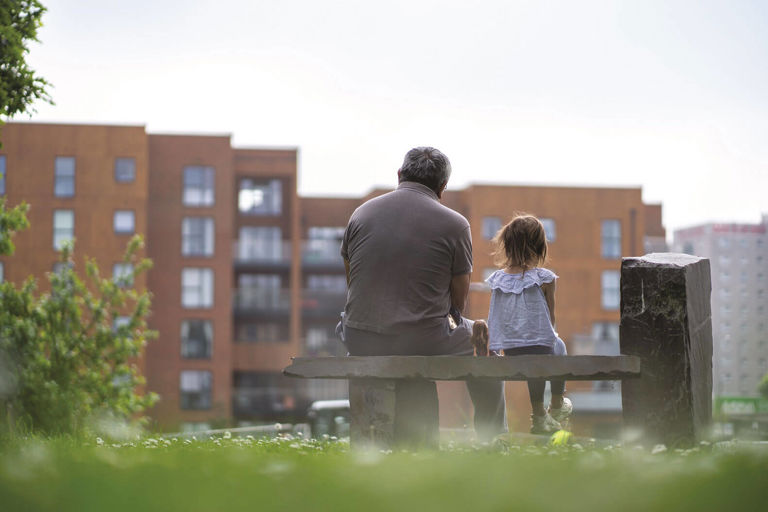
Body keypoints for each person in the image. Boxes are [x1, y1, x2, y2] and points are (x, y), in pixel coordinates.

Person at [337, 147, 507, 441]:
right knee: (485, 342)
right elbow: (458, 300)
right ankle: (491, 439)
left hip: (359, 336)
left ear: (400, 175)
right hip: (421, 337)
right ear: (442, 187)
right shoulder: (455, 224)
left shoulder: (361, 213)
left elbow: (352, 279)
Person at [476, 214, 573, 434]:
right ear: (539, 246)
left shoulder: (498, 279)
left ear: (508, 245)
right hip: (539, 347)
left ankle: (540, 413)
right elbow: (551, 318)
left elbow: (498, 314)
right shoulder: (545, 278)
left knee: (533, 356)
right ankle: (556, 404)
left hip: (509, 347)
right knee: (557, 348)